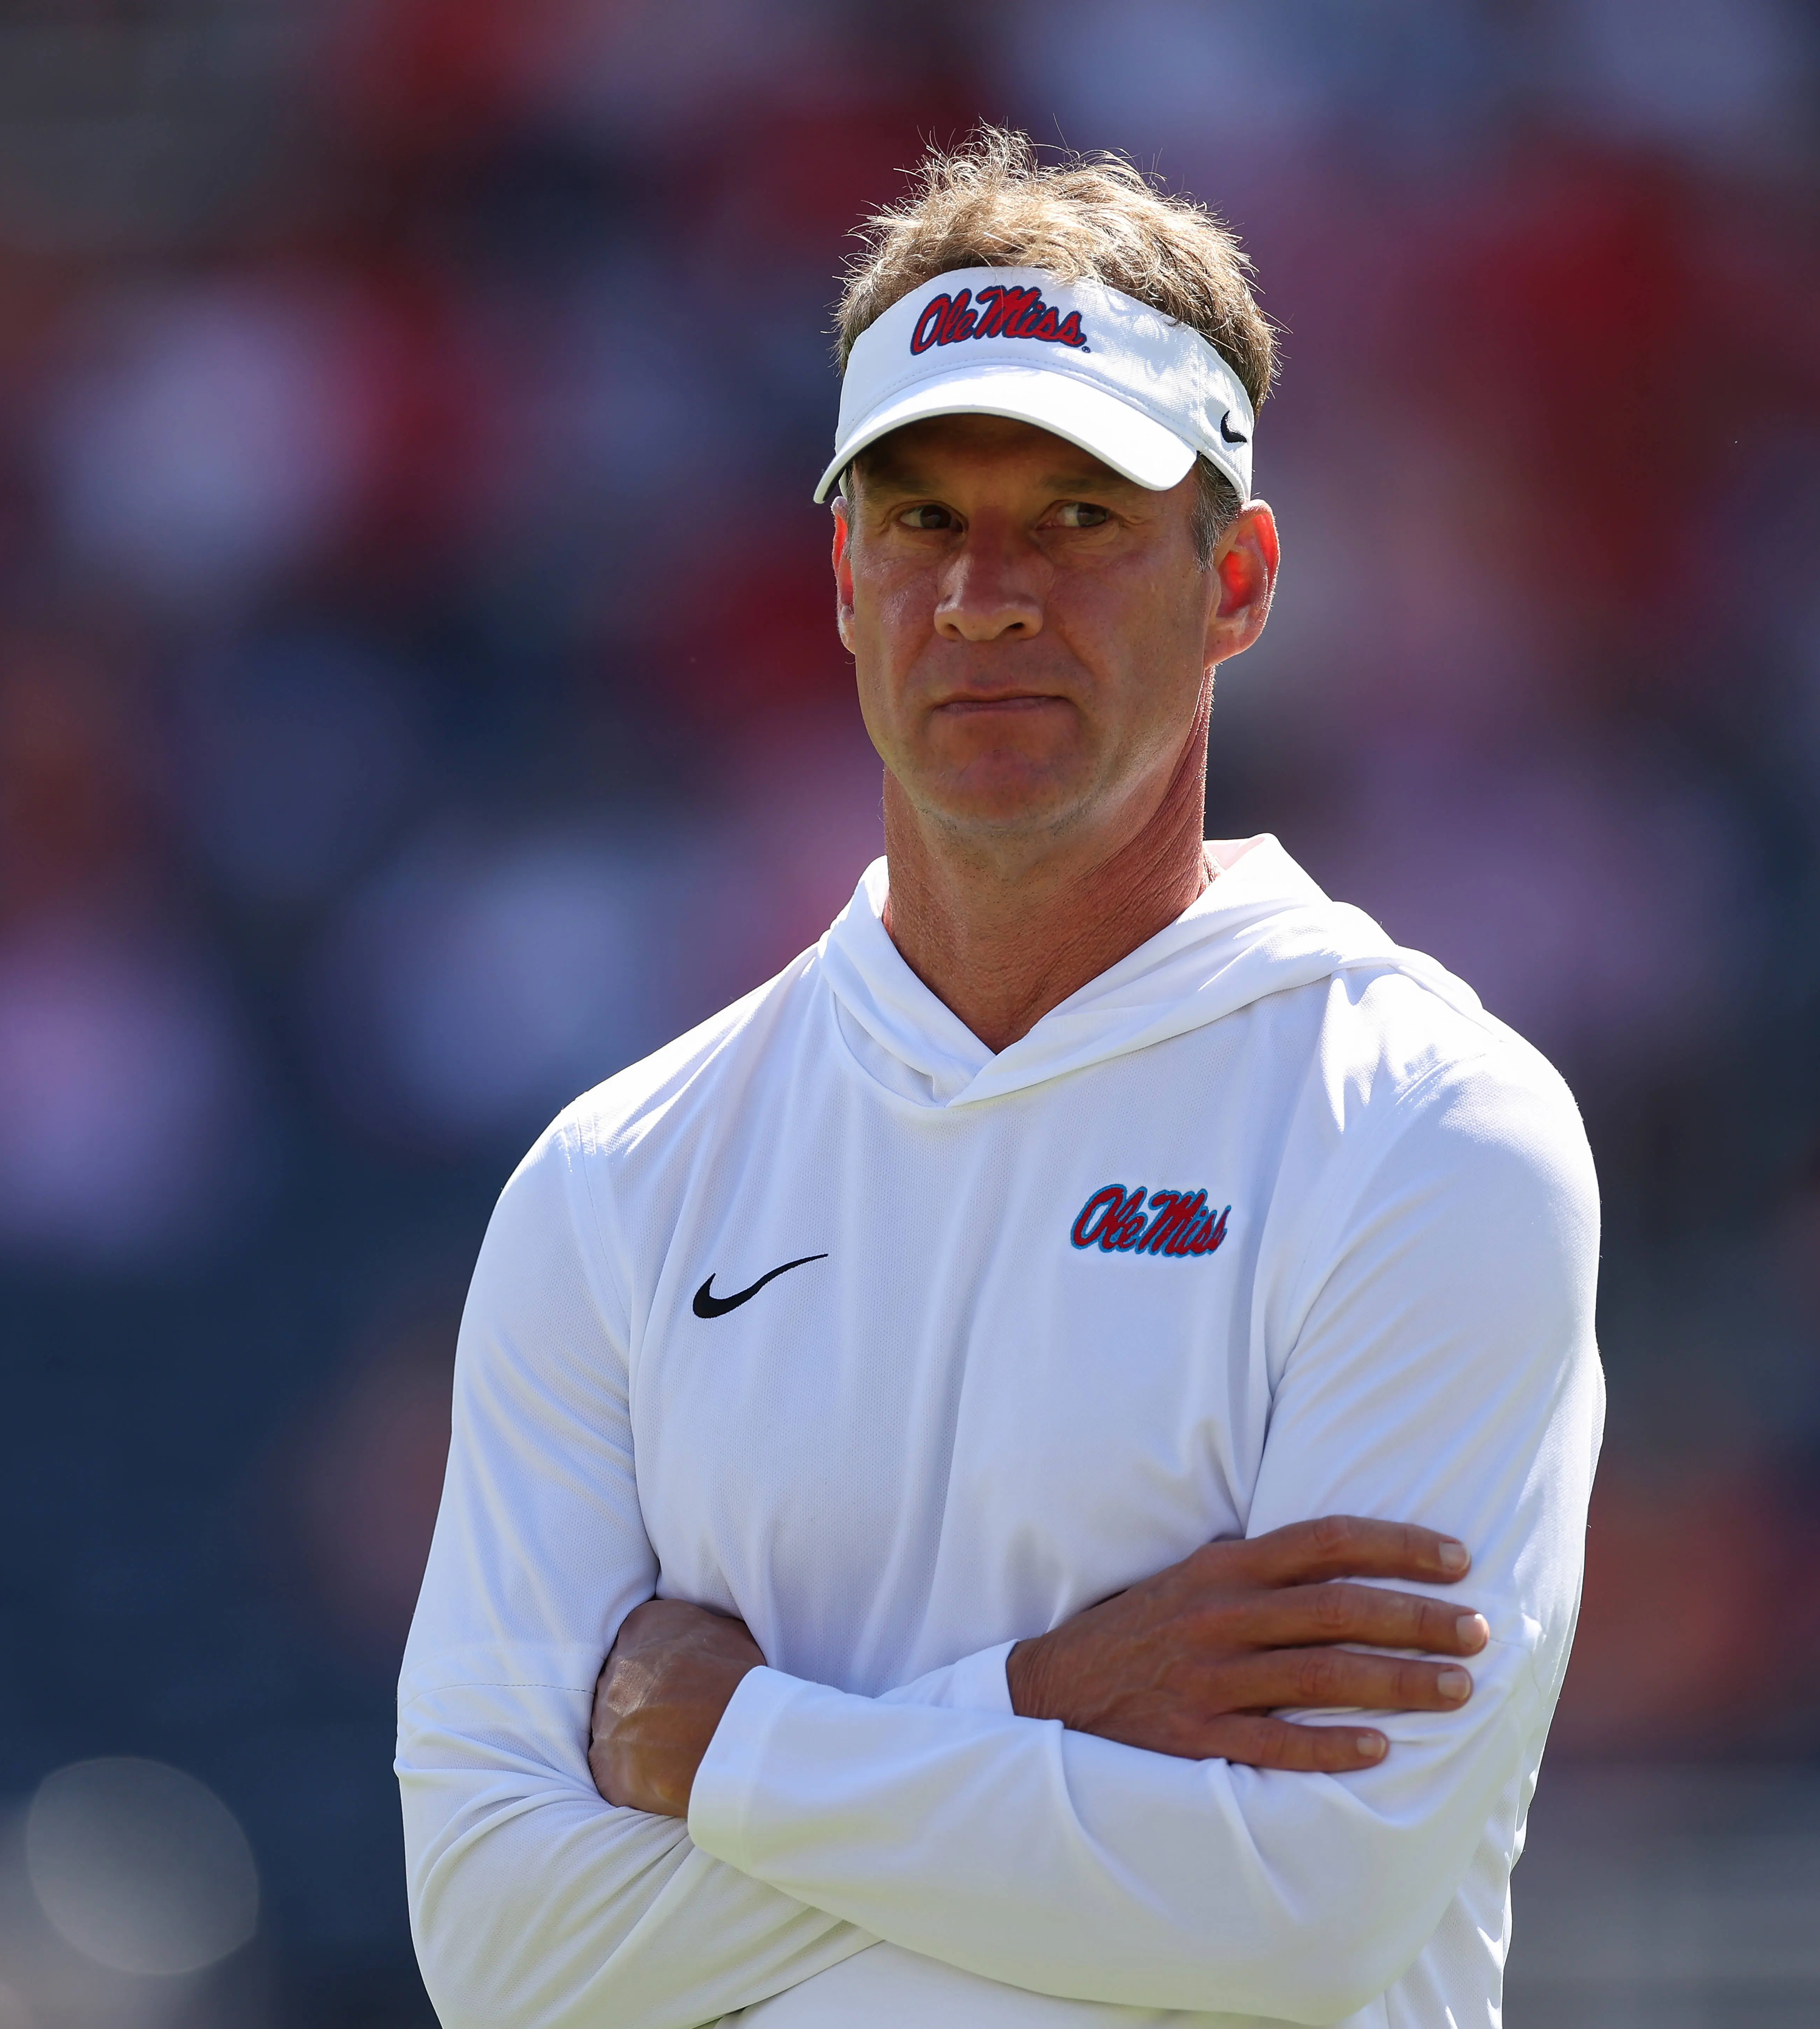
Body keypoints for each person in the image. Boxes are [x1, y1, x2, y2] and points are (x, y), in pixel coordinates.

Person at [396, 128, 1604, 2028]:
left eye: (1081, 517)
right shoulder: (617, 1178)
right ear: (845, 572)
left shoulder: (1430, 1133)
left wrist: (715, 1751)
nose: (988, 595)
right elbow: (502, 1947)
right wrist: (1054, 1705)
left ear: (1241, 577)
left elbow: (1299, 1903)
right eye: (925, 517)